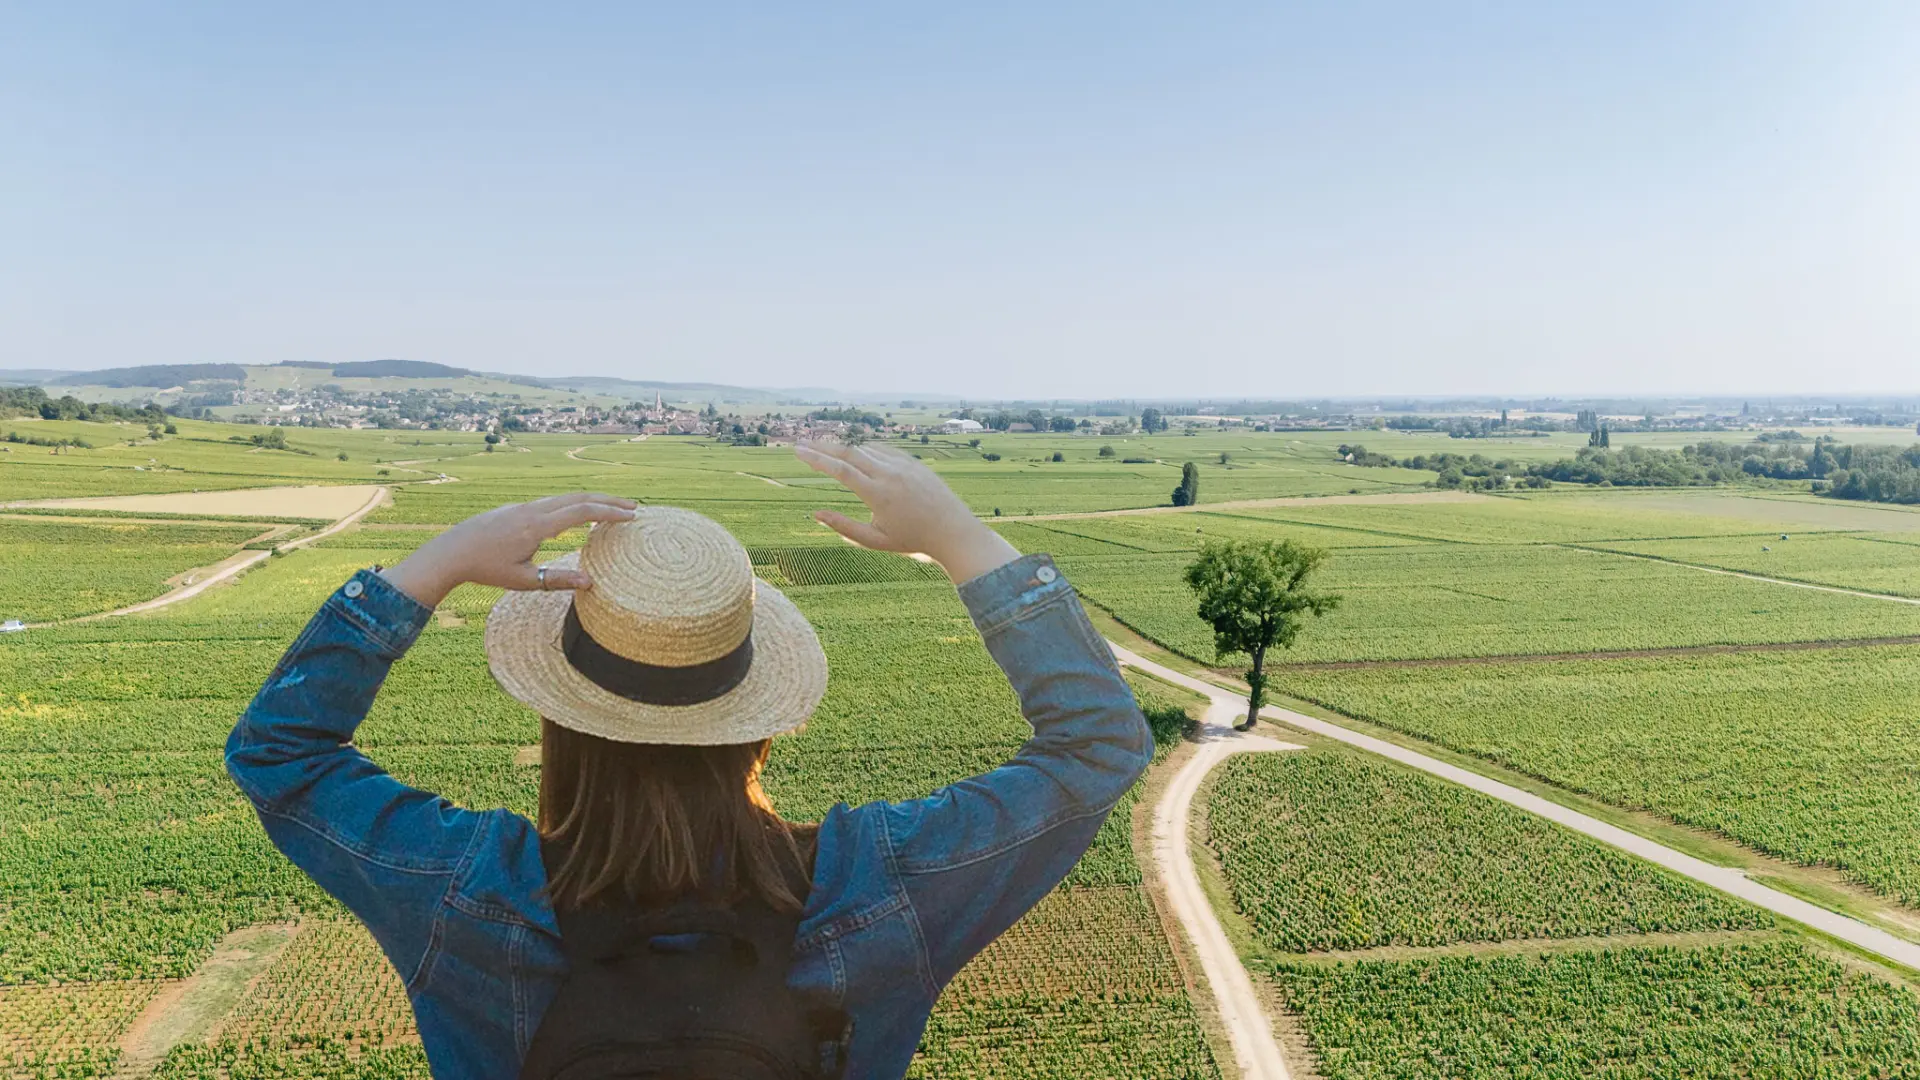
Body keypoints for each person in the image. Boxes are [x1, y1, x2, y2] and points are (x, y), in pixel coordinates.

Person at [226, 439, 1152, 1079]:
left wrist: (434, 564)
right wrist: (958, 536)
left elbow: (281, 755)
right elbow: (1098, 744)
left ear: (559, 714)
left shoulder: (466, 888)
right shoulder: (882, 882)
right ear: (758, 717)